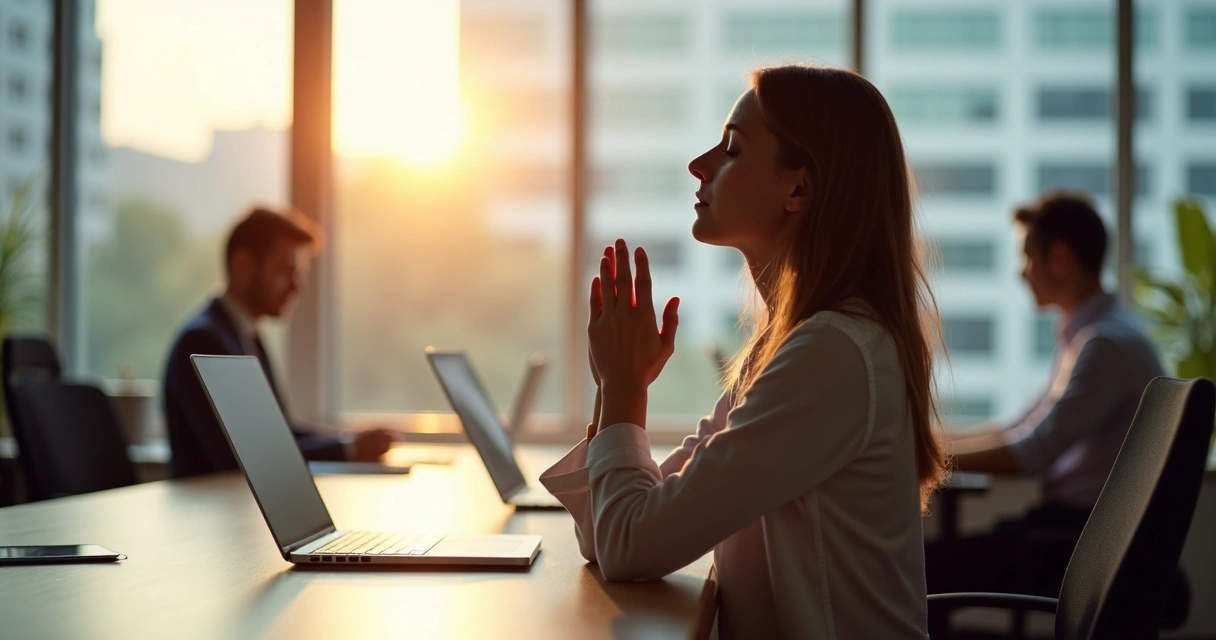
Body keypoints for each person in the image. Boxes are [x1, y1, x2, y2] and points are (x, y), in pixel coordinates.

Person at [539, 64, 944, 639]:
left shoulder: (832, 354)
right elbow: (608, 536)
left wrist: (626, 390)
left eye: (731, 148)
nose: (698, 165)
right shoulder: (791, 344)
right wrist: (613, 387)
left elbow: (629, 547)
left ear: (799, 188)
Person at [925, 193, 1164, 601]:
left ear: (1059, 257)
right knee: (933, 559)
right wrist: (932, 442)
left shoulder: (1105, 345)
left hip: (1083, 540)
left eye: (1026, 256)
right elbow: (1021, 426)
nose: (1021, 273)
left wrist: (926, 454)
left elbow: (1033, 452)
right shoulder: (1093, 333)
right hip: (1078, 532)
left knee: (923, 566)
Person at [163, 206, 396, 478]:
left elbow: (279, 432)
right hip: (214, 513)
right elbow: (246, 455)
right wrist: (346, 449)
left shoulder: (246, 337)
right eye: (286, 271)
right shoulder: (202, 342)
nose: (298, 287)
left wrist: (348, 442)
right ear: (243, 266)